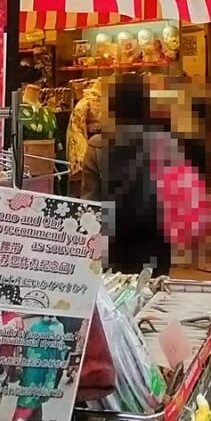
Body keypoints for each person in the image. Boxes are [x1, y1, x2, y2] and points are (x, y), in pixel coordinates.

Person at [80, 73, 188, 275]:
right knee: (154, 297)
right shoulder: (166, 142)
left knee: (116, 299)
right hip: (155, 240)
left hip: (114, 242)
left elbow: (90, 203)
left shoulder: (98, 145)